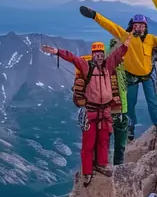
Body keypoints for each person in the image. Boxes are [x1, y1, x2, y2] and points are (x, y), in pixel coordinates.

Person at [41, 38, 129, 180]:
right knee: (88, 143)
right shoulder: (86, 66)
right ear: (92, 55)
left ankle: (101, 164)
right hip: (92, 110)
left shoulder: (109, 65)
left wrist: (125, 46)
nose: (99, 56)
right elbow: (72, 58)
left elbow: (118, 54)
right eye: (96, 54)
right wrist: (58, 52)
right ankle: (87, 172)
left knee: (103, 139)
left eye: (101, 54)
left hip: (105, 110)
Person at [79, 6, 157, 139]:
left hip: (147, 75)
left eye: (141, 25)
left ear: (145, 27)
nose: (139, 28)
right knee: (130, 103)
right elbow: (111, 26)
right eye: (136, 25)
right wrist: (95, 15)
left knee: (152, 101)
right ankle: (130, 128)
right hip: (132, 76)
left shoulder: (151, 39)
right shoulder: (126, 36)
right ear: (132, 26)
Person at [107, 36, 129, 165]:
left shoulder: (120, 68)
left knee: (118, 143)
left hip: (121, 110)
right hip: (112, 111)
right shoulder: (108, 68)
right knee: (111, 142)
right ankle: (111, 166)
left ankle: (116, 166)